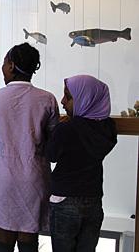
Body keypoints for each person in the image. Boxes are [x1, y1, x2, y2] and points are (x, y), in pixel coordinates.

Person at [0, 42, 60, 252]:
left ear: (12, 66)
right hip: (34, 177)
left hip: (3, 178)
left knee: (3, 241)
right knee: (28, 241)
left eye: (5, 63)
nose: (3, 68)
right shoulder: (47, 99)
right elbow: (52, 140)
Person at [46, 75, 117, 252]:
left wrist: (53, 131)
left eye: (68, 97)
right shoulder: (108, 129)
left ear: (84, 99)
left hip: (64, 198)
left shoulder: (66, 129)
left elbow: (51, 155)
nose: (62, 102)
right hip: (93, 200)